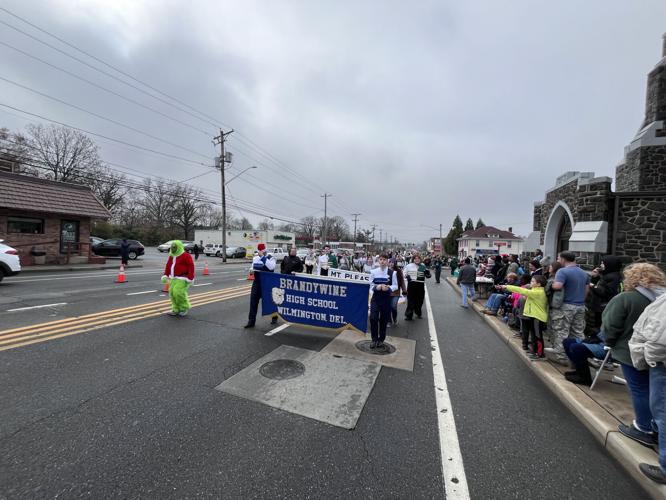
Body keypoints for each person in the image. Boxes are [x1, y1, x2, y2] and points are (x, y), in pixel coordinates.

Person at [605, 263, 666, 449]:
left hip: (630, 350)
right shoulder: (660, 298)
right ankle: (656, 427)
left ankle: (643, 427)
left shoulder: (626, 298)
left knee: (639, 390)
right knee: (655, 393)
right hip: (657, 354)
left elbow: (610, 325)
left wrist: (610, 342)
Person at [629, 288, 666, 484]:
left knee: (661, 408)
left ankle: (665, 467)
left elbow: (660, 338)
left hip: (660, 361)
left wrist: (646, 356)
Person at [544, 251, 591, 365]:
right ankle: (577, 357)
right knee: (578, 332)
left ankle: (561, 356)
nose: (558, 260)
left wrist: (552, 285)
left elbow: (558, 285)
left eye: (559, 258)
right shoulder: (584, 273)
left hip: (565, 306)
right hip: (580, 305)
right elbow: (587, 290)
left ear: (564, 259)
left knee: (561, 331)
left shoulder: (562, 271)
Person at [501, 275, 549, 359]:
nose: (531, 282)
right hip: (534, 317)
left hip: (538, 317)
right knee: (534, 335)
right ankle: (536, 352)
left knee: (538, 336)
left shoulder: (538, 292)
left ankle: (540, 354)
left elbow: (521, 290)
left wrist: (506, 286)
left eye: (533, 281)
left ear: (538, 284)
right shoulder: (535, 290)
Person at [586, 255, 623, 335]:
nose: (601, 265)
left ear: (609, 264)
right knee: (595, 325)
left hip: (603, 306)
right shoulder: (607, 275)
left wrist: (593, 286)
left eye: (603, 263)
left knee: (599, 327)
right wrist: (595, 277)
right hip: (600, 306)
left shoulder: (613, 277)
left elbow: (606, 292)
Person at [369, 253, 398, 348]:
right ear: (378, 261)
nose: (382, 261)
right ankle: (374, 339)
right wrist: (376, 287)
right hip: (376, 298)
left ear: (387, 261)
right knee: (373, 318)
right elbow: (370, 285)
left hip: (386, 298)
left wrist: (389, 288)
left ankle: (381, 339)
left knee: (383, 320)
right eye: (380, 259)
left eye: (384, 260)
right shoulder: (373, 272)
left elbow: (395, 285)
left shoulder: (392, 273)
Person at [244, 243, 277, 328]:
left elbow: (271, 267)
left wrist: (263, 257)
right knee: (253, 301)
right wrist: (251, 271)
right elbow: (252, 267)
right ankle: (251, 321)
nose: (261, 251)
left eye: (262, 249)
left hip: (267, 283)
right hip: (257, 282)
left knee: (270, 301)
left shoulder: (271, 257)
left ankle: (274, 316)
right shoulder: (255, 257)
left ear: (265, 249)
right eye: (260, 250)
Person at [161, 240, 195, 317]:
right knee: (172, 293)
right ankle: (175, 309)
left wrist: (190, 277)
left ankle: (184, 308)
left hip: (183, 278)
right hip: (173, 278)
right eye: (172, 247)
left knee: (178, 292)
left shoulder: (186, 255)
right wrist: (166, 275)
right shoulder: (172, 255)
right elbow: (168, 265)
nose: (173, 249)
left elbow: (191, 266)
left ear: (178, 247)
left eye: (174, 247)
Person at [404, 253, 430, 319]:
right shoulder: (409, 266)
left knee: (420, 300)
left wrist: (428, 275)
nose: (417, 260)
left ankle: (418, 312)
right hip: (412, 284)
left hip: (420, 285)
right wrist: (407, 276)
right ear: (413, 259)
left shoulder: (423, 266)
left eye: (418, 258)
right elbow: (404, 273)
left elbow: (428, 274)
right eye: (415, 258)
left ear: (420, 259)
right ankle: (409, 315)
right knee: (410, 300)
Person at [390, 260, 408, 325]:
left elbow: (402, 281)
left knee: (393, 306)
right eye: (390, 262)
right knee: (388, 307)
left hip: (396, 292)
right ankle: (389, 321)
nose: (391, 264)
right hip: (387, 292)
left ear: (395, 263)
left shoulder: (398, 271)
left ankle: (394, 319)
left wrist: (404, 290)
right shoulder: (385, 270)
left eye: (392, 262)